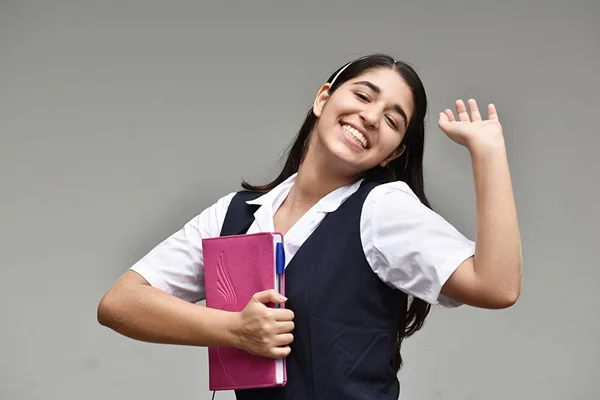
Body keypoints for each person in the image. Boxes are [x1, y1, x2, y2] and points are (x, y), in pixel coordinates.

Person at [97, 53, 522, 399]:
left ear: (393, 155)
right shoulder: (237, 214)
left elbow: (496, 286)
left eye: (393, 121)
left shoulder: (382, 209)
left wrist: (488, 152)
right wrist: (233, 330)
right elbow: (120, 303)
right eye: (363, 95)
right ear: (323, 98)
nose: (372, 117)